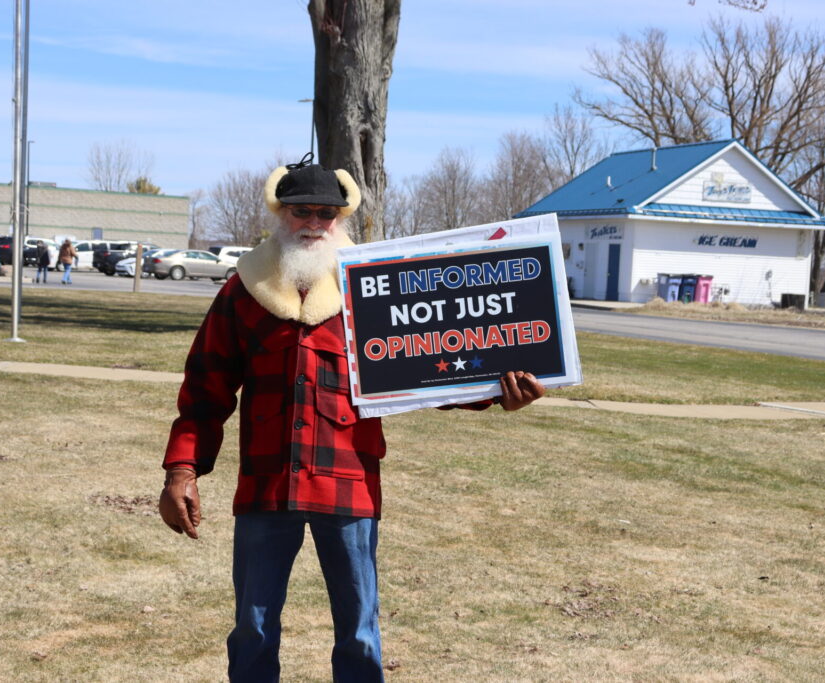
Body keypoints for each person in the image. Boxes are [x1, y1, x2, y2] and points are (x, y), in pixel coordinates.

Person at [158, 159, 546, 682]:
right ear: (280, 213)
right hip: (266, 487)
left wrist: (495, 394)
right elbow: (205, 391)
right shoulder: (243, 291)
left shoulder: (374, 289)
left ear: (341, 219)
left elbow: (428, 365)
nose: (314, 223)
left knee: (360, 632)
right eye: (301, 211)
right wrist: (182, 470)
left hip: (350, 486)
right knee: (252, 626)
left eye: (326, 213)